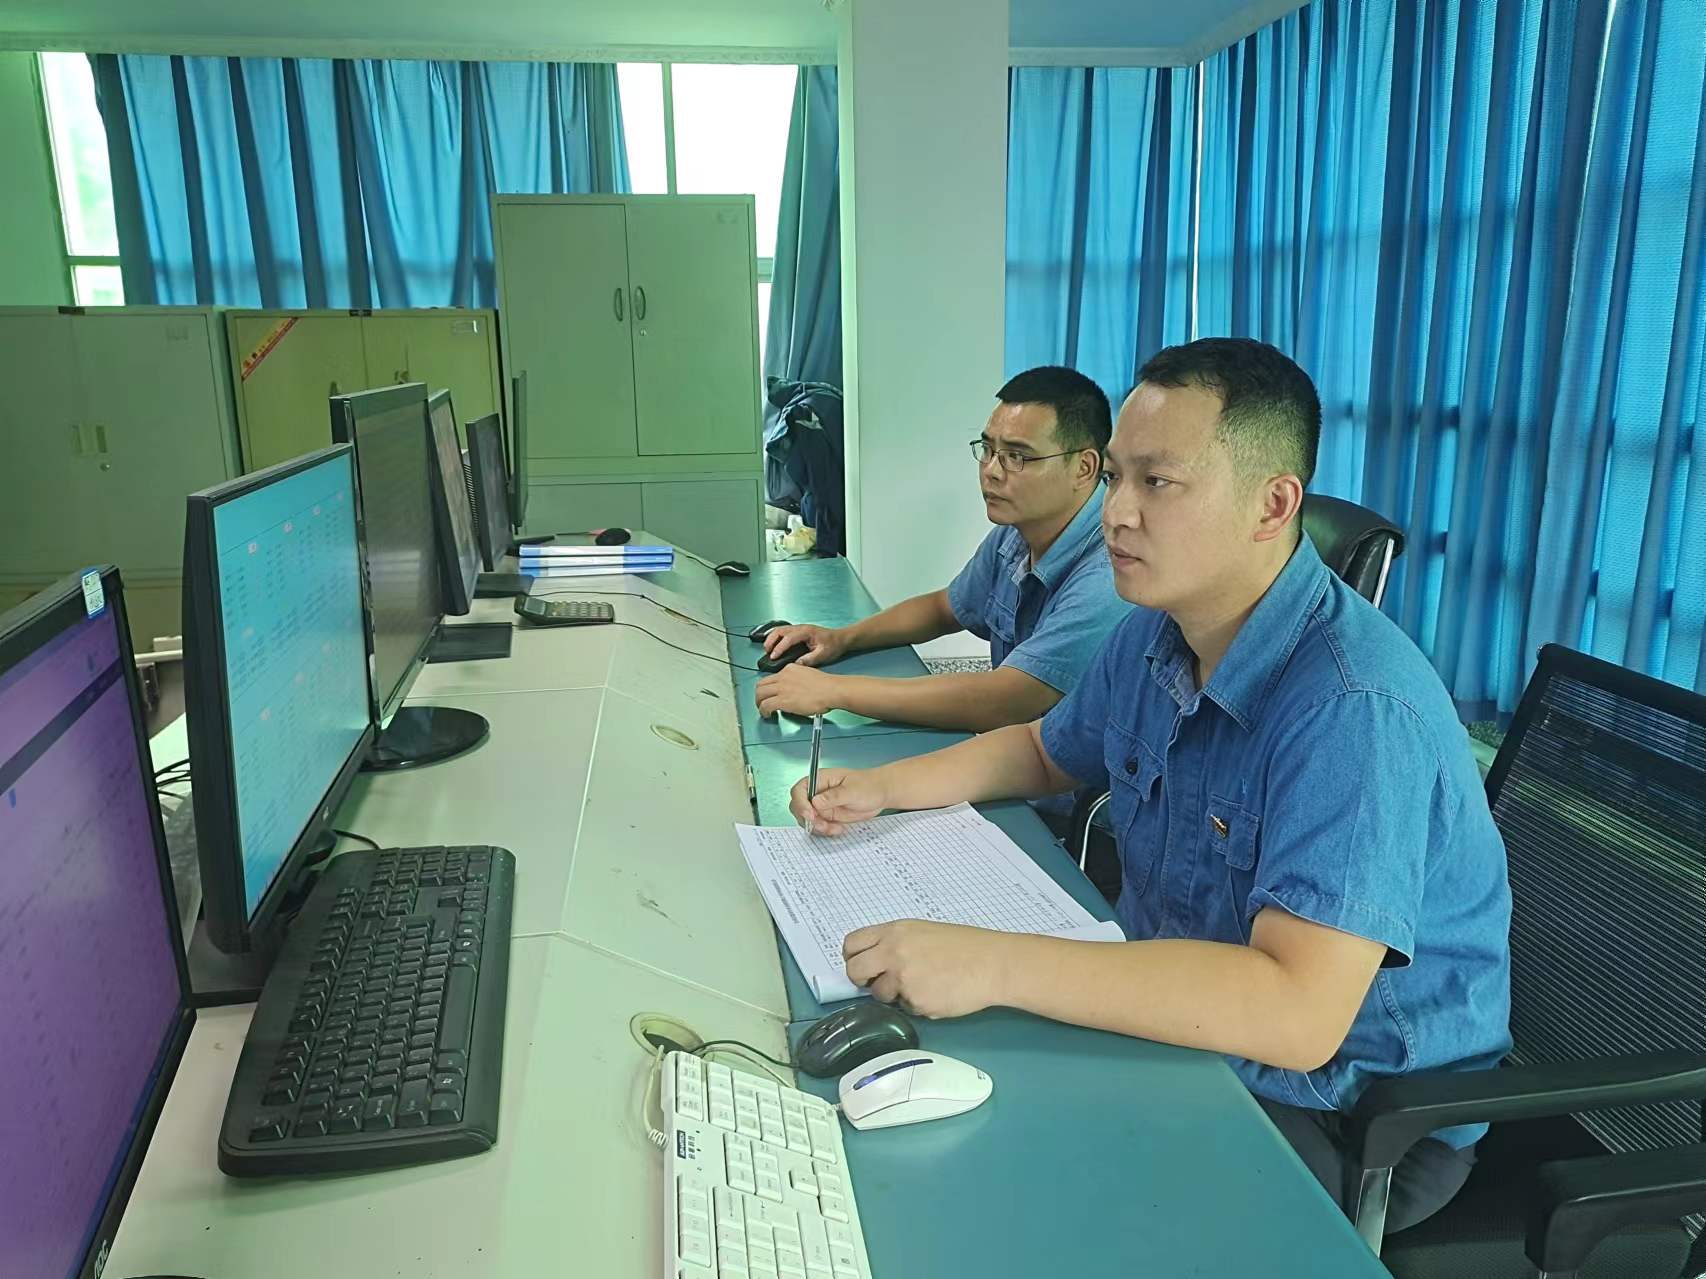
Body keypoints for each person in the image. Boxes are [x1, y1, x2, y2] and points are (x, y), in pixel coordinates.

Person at [787, 338, 1513, 1234]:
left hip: (1344, 1115)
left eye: (1157, 482)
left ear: (1273, 503)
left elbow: (1296, 1013)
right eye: (1117, 477)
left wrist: (993, 961)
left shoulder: (1353, 708)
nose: (1116, 513)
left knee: (1010, 1201)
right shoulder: (1159, 630)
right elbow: (1047, 752)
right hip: (1192, 1027)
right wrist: (884, 788)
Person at [754, 366, 1130, 733]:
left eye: (1017, 456)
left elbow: (1005, 701)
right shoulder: (1018, 533)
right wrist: (840, 638)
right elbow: (943, 608)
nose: (991, 470)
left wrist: (835, 692)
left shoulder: (1109, 575)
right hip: (1019, 750)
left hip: (1068, 772)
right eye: (988, 449)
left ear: (1084, 468)